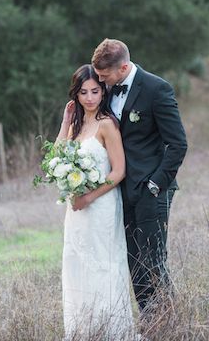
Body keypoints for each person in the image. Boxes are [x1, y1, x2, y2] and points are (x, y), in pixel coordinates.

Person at [91, 39, 188, 321]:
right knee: (134, 262)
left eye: (104, 75)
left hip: (152, 190)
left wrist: (156, 183)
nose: (100, 80)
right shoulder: (107, 91)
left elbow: (178, 144)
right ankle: (151, 321)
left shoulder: (157, 89)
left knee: (153, 261)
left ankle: (171, 324)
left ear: (122, 67)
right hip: (121, 190)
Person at [57, 64, 134, 339]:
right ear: (76, 95)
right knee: (76, 262)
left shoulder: (107, 124)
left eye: (95, 91)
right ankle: (82, 330)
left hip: (100, 205)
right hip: (76, 210)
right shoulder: (77, 125)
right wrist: (66, 121)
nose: (89, 98)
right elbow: (56, 158)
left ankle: (111, 330)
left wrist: (89, 195)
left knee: (102, 264)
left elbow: (118, 171)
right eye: (83, 92)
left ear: (103, 92)